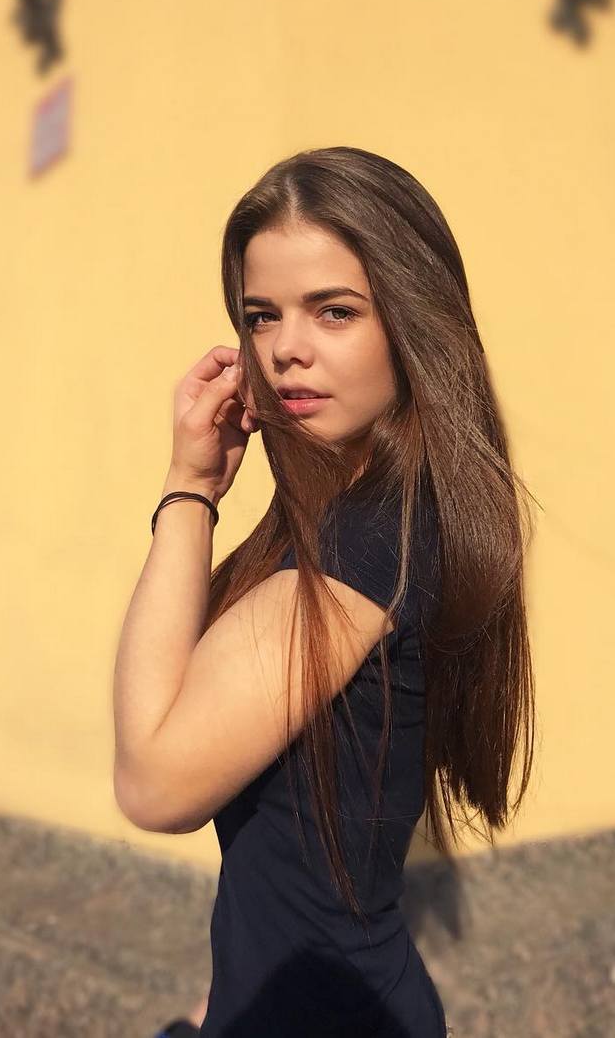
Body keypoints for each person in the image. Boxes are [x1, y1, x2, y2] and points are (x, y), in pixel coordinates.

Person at [114, 146, 536, 1038]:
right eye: (261, 316)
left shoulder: (370, 543)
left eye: (334, 311)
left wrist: (189, 488)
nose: (285, 349)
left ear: (414, 322)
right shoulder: (374, 516)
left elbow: (154, 785)